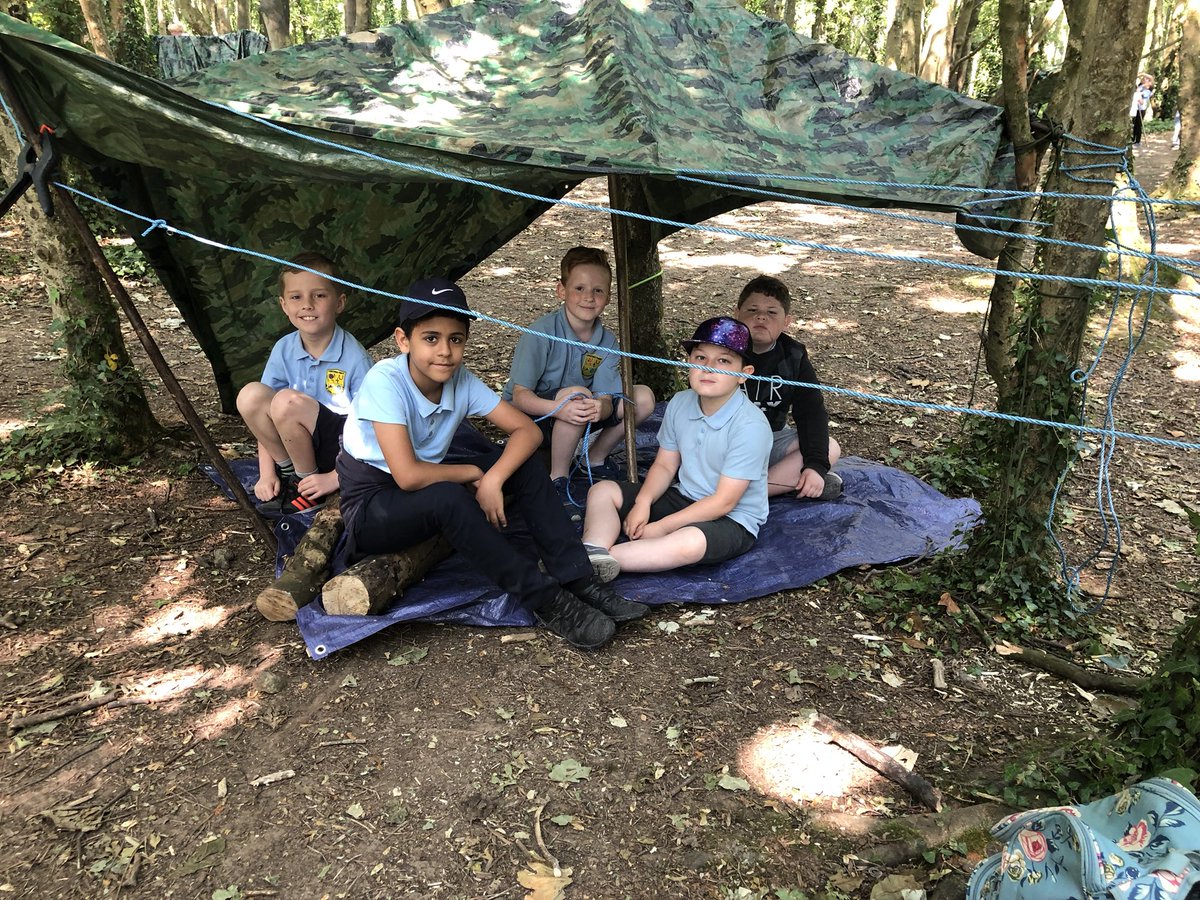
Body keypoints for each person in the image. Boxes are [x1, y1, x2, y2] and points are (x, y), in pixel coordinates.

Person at [334, 278, 648, 649]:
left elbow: (527, 432)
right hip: (373, 506)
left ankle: (578, 578)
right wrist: (473, 474)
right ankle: (548, 601)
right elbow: (407, 475)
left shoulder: (460, 380)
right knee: (450, 498)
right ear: (403, 340)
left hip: (424, 486)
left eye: (455, 339)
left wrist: (495, 478)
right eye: (430, 338)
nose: (445, 351)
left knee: (523, 463)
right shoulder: (385, 381)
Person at [580, 317, 771, 581]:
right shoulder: (681, 402)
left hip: (733, 519)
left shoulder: (751, 426)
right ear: (689, 362)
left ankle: (595, 562)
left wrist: (661, 527)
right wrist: (643, 503)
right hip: (683, 496)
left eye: (724, 361)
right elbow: (665, 464)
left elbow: (724, 501)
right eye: (701, 357)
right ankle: (594, 549)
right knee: (603, 490)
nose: (709, 368)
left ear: (744, 374)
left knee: (688, 542)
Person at [503, 247, 655, 519]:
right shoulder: (540, 333)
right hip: (533, 415)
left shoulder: (607, 341)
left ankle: (593, 460)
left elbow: (607, 397)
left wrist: (602, 409)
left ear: (608, 296)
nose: (589, 297)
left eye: (598, 290)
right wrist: (561, 407)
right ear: (561, 290)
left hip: (577, 410)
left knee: (642, 397)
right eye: (579, 288)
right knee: (576, 397)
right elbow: (519, 397)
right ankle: (557, 479)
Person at [236, 251, 373, 515]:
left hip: (340, 449)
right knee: (250, 395)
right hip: (295, 442)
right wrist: (266, 474)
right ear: (284, 305)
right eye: (296, 297)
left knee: (286, 401)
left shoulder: (355, 357)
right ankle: (289, 474)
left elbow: (371, 427)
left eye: (319, 295)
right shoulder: (284, 349)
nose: (307, 305)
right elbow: (264, 415)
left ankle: (307, 488)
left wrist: (338, 475)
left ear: (339, 303)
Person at [733, 275, 843, 500]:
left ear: (786, 322)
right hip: (724, 439)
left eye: (772, 312)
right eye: (752, 310)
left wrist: (815, 466)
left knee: (829, 448)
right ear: (737, 314)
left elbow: (811, 412)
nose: (761, 316)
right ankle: (786, 483)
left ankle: (751, 493)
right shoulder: (723, 348)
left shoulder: (794, 356)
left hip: (770, 439)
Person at [1130, 73, 1154, 146]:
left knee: (1138, 125)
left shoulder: (1148, 91)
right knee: (1134, 124)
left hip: (1141, 109)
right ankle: (1133, 139)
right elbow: (1137, 90)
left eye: (1146, 80)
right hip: (1136, 108)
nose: (1144, 80)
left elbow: (1142, 101)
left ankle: (1138, 141)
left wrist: (1139, 97)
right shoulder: (1141, 86)